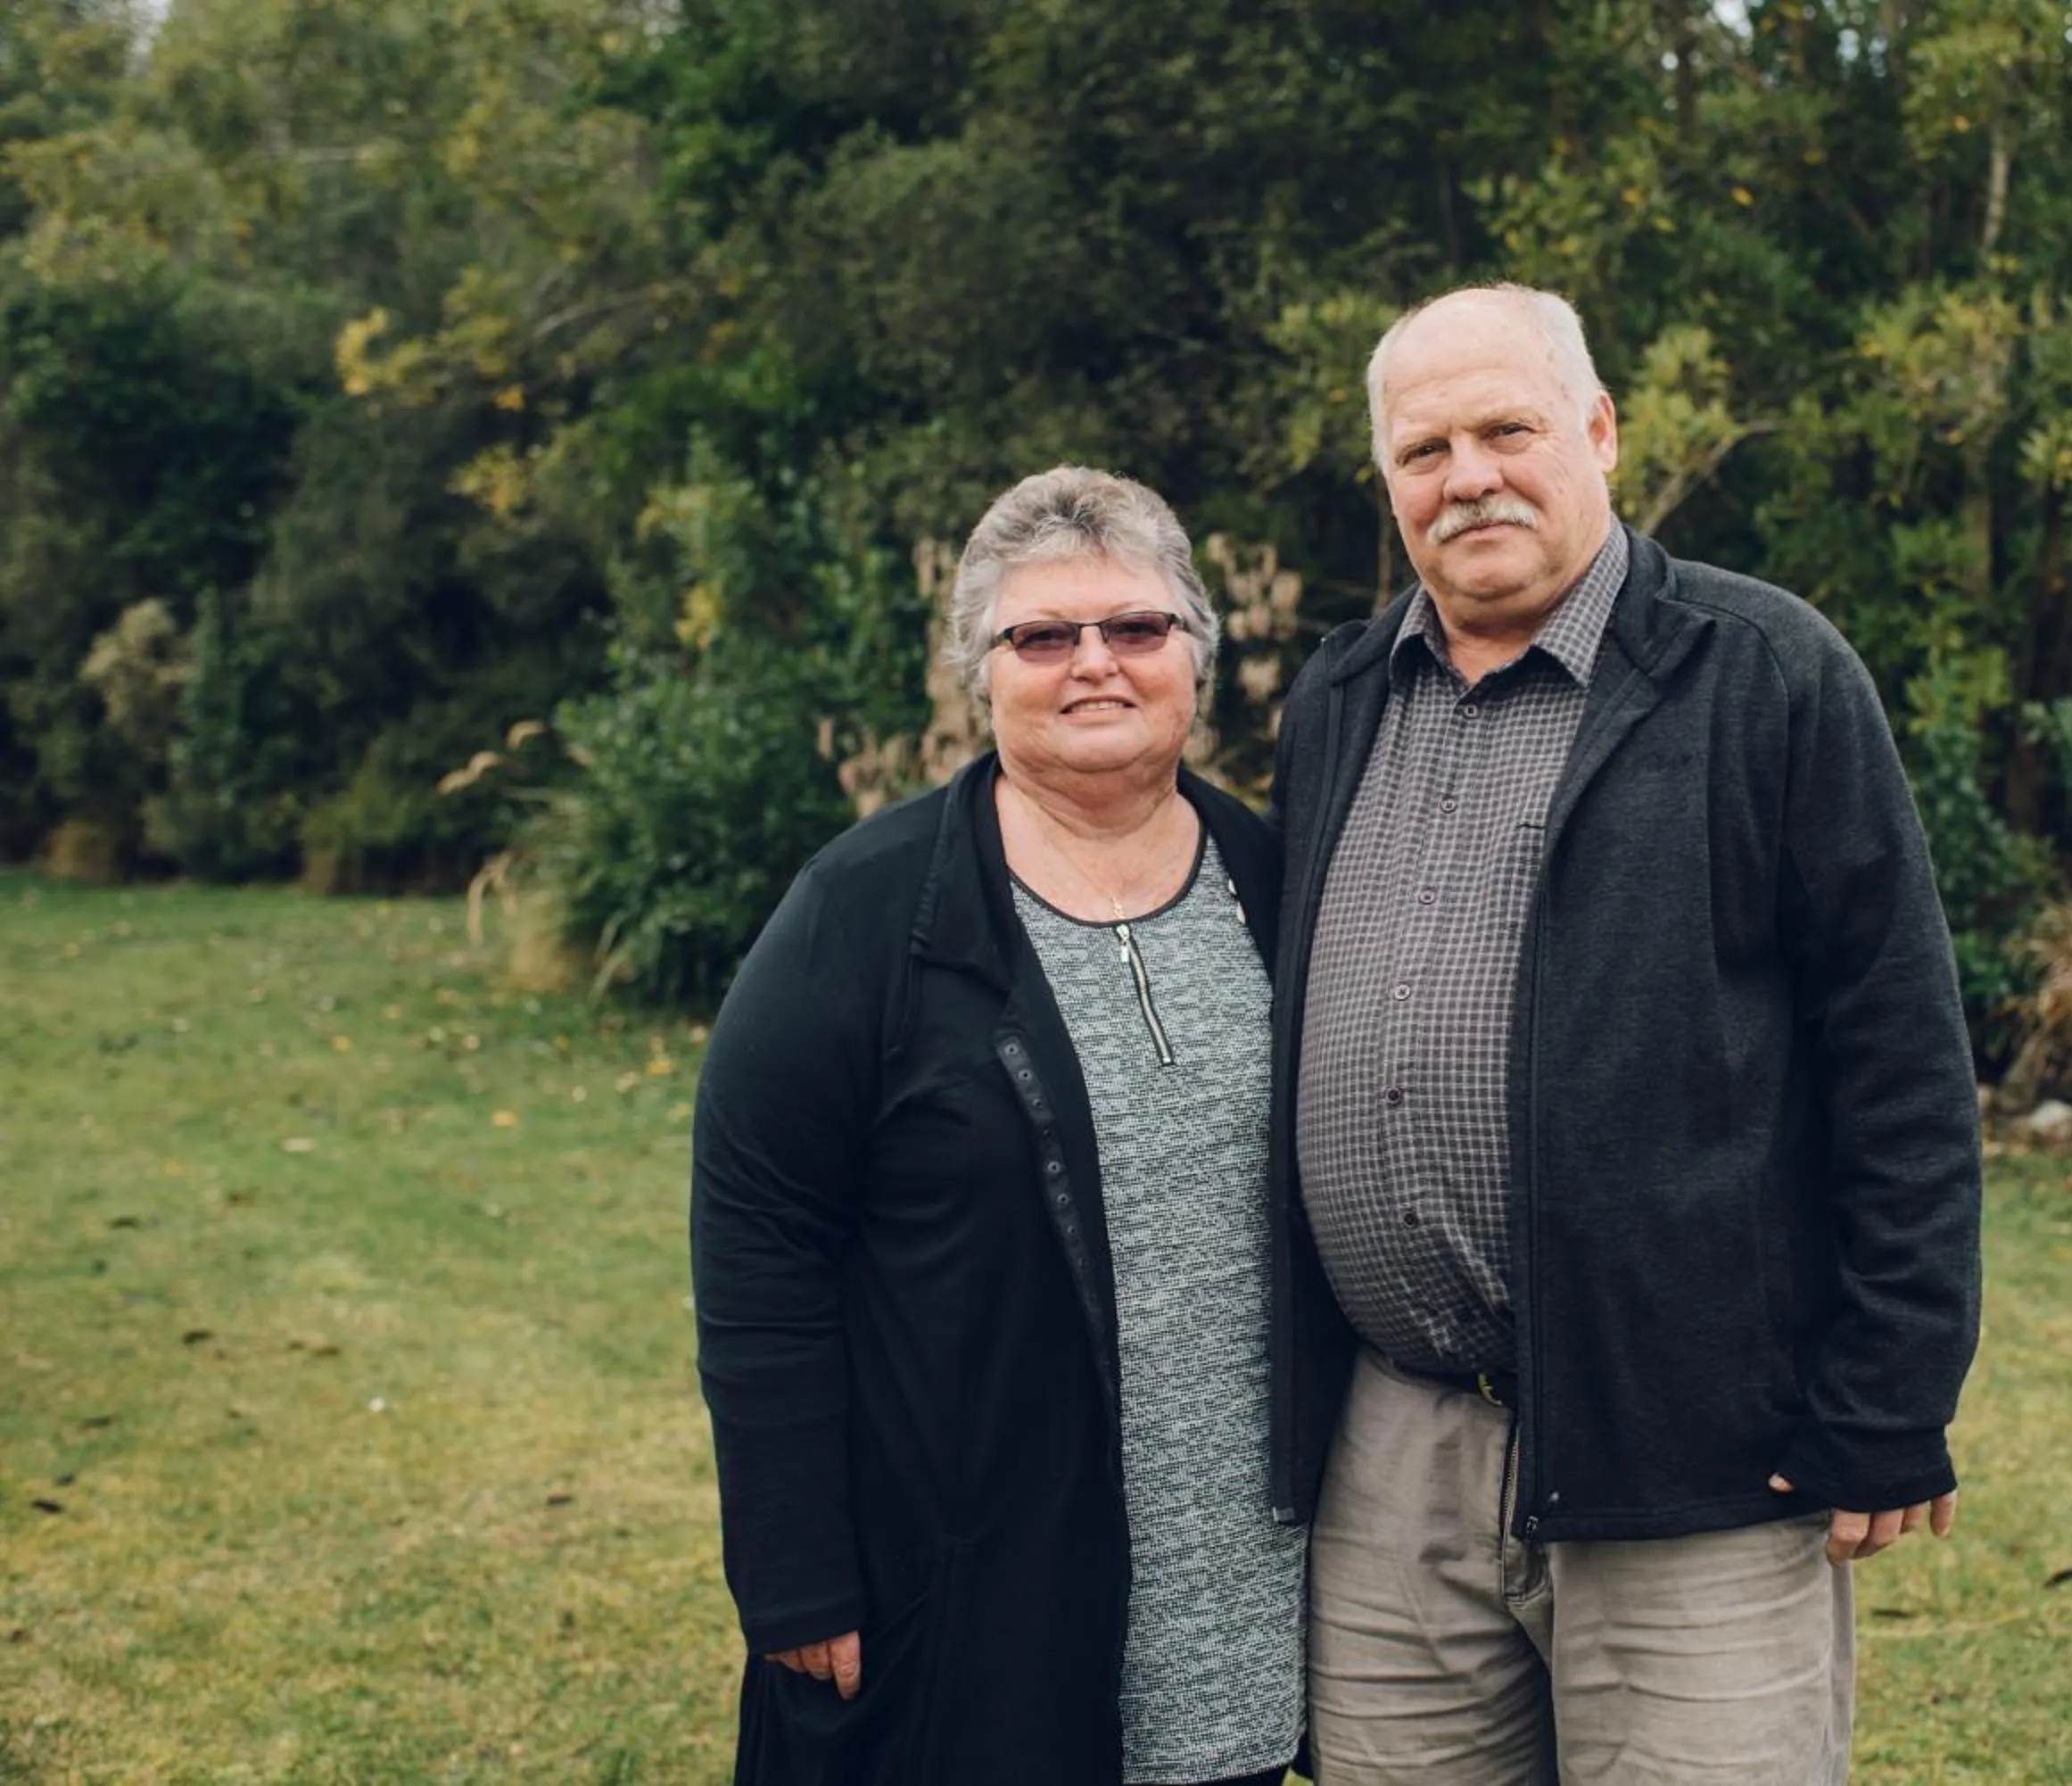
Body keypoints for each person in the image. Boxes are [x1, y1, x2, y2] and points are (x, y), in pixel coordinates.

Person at [1265, 284, 1985, 1784]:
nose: (1468, 476)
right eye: (1424, 449)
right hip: (1396, 1451)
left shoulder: (1763, 674)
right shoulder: (1339, 694)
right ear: (1387, 482)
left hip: (1693, 1444)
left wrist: (1891, 1396)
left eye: (1507, 429)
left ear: (1598, 430)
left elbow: (1901, 1057)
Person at [691, 466, 1331, 1785]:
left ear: (1193, 655)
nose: (1094, 662)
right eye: (1043, 635)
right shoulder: (864, 916)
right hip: (966, 1567)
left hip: (1244, 1589)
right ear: (978, 670)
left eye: (1136, 627)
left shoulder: (1280, 885)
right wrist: (794, 1565)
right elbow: (760, 1242)